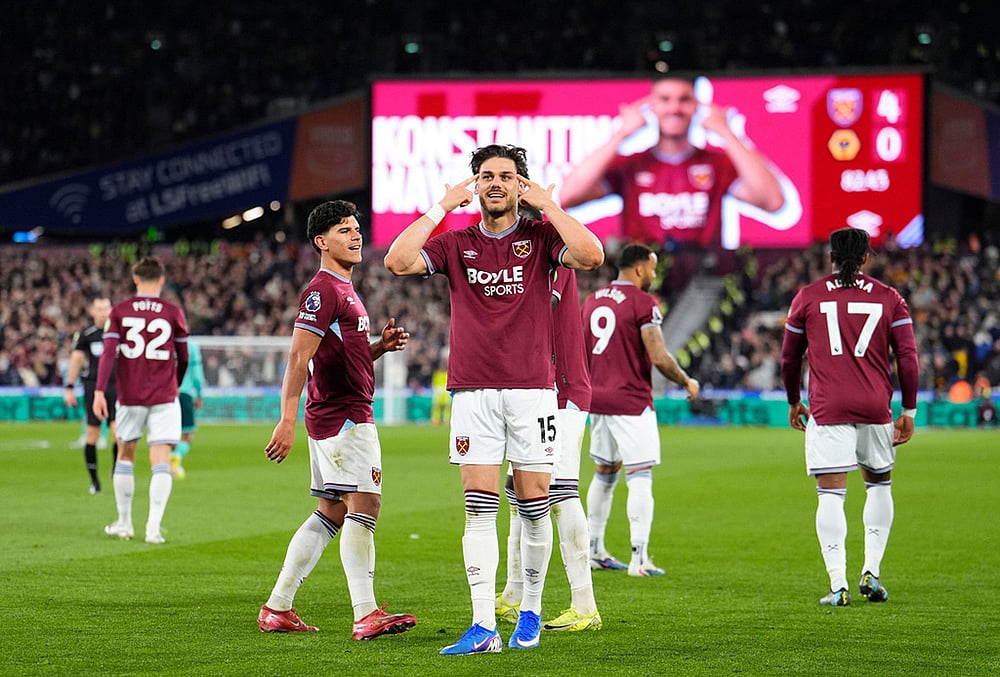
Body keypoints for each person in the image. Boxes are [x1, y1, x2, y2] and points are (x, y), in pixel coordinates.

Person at [384, 144, 604, 654]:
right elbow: (397, 261)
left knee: (533, 508)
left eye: (507, 176)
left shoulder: (543, 237)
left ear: (521, 185)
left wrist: (548, 205)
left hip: (532, 391)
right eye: (486, 176)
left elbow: (593, 256)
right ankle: (483, 625)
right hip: (473, 393)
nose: (495, 184)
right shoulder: (456, 243)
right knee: (478, 511)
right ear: (475, 186)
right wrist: (442, 207)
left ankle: (530, 609)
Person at [258, 199, 418, 641]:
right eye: (344, 230)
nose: (356, 235)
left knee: (330, 511)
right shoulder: (324, 290)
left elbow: (342, 356)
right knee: (365, 506)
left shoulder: (345, 289)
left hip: (338, 413)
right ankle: (365, 613)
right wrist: (285, 420)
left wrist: (379, 348)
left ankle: (278, 606)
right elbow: (298, 357)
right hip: (344, 417)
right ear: (321, 241)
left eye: (356, 228)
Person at [780, 227, 919, 606]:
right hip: (876, 408)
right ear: (865, 258)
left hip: (829, 408)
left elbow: (790, 358)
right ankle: (871, 571)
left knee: (830, 494)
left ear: (830, 258)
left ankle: (839, 584)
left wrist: (794, 400)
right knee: (879, 486)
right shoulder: (891, 299)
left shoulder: (807, 297)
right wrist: (908, 409)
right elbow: (907, 356)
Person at [582, 243, 700, 577]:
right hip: (631, 400)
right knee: (640, 475)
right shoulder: (644, 303)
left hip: (598, 399)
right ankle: (639, 559)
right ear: (638, 268)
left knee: (605, 473)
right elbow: (659, 357)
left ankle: (595, 550)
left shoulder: (593, 300)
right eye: (652, 267)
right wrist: (687, 381)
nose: (654, 273)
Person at [496, 264, 603, 632]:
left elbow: (532, 310)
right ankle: (513, 594)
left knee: (559, 492)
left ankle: (584, 603)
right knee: (518, 490)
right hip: (531, 389)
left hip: (561, 388)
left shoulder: (550, 256)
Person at [559, 75, 785, 248]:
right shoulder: (632, 165)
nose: (674, 108)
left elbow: (772, 201)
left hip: (704, 277)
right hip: (643, 280)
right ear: (651, 106)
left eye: (684, 100)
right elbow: (569, 195)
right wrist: (621, 134)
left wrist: (727, 132)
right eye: (665, 100)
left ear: (697, 105)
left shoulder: (716, 163)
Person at [94, 256, 190, 545]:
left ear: (135, 279)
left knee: (125, 454)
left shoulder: (120, 311)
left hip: (130, 395)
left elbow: (108, 354)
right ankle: (153, 528)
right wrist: (176, 382)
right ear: (161, 280)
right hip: (164, 394)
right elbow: (183, 356)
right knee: (160, 460)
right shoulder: (173, 312)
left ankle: (124, 523)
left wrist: (100, 391)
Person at [64, 296, 118, 494]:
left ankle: (116, 471)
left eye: (106, 308)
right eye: (99, 309)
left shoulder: (121, 332)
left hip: (117, 388)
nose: (104, 312)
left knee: (118, 433)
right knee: (92, 434)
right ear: (92, 311)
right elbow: (76, 359)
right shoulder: (86, 335)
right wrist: (69, 386)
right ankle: (95, 482)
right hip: (92, 388)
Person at [170, 340, 204, 479]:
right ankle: (176, 457)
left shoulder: (164, 341)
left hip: (165, 394)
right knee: (187, 435)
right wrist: (199, 394)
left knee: (167, 435)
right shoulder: (191, 347)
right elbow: (197, 375)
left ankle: (169, 465)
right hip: (184, 393)